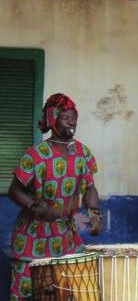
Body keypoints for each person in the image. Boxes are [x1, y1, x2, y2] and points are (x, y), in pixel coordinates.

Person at [8, 93, 102, 301]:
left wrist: (95, 213)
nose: (72, 121)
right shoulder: (35, 154)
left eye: (74, 117)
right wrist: (34, 206)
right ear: (52, 120)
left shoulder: (82, 153)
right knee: (27, 293)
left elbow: (90, 188)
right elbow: (13, 191)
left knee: (72, 291)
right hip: (32, 237)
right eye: (65, 117)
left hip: (65, 235)